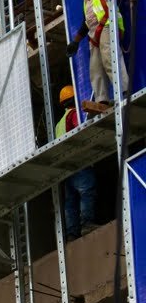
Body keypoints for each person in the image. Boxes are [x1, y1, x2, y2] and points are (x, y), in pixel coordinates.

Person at [66, 0, 129, 105]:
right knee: (96, 69)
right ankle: (102, 100)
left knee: (111, 59)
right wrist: (76, 41)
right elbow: (87, 22)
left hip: (108, 25)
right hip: (94, 34)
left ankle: (124, 91)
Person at [56, 85, 98, 240]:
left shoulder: (59, 123)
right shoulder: (74, 115)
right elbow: (80, 130)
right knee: (87, 191)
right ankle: (87, 224)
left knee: (71, 201)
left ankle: (72, 234)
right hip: (79, 161)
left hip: (66, 168)